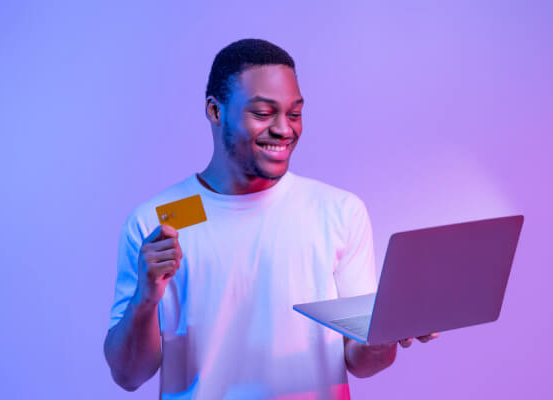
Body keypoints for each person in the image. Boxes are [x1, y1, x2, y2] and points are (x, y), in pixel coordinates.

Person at [104, 38, 438, 400]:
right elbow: (128, 375)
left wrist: (386, 334)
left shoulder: (340, 211)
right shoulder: (156, 223)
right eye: (263, 113)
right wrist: (145, 298)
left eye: (294, 114)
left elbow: (361, 361)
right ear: (215, 111)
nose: (284, 129)